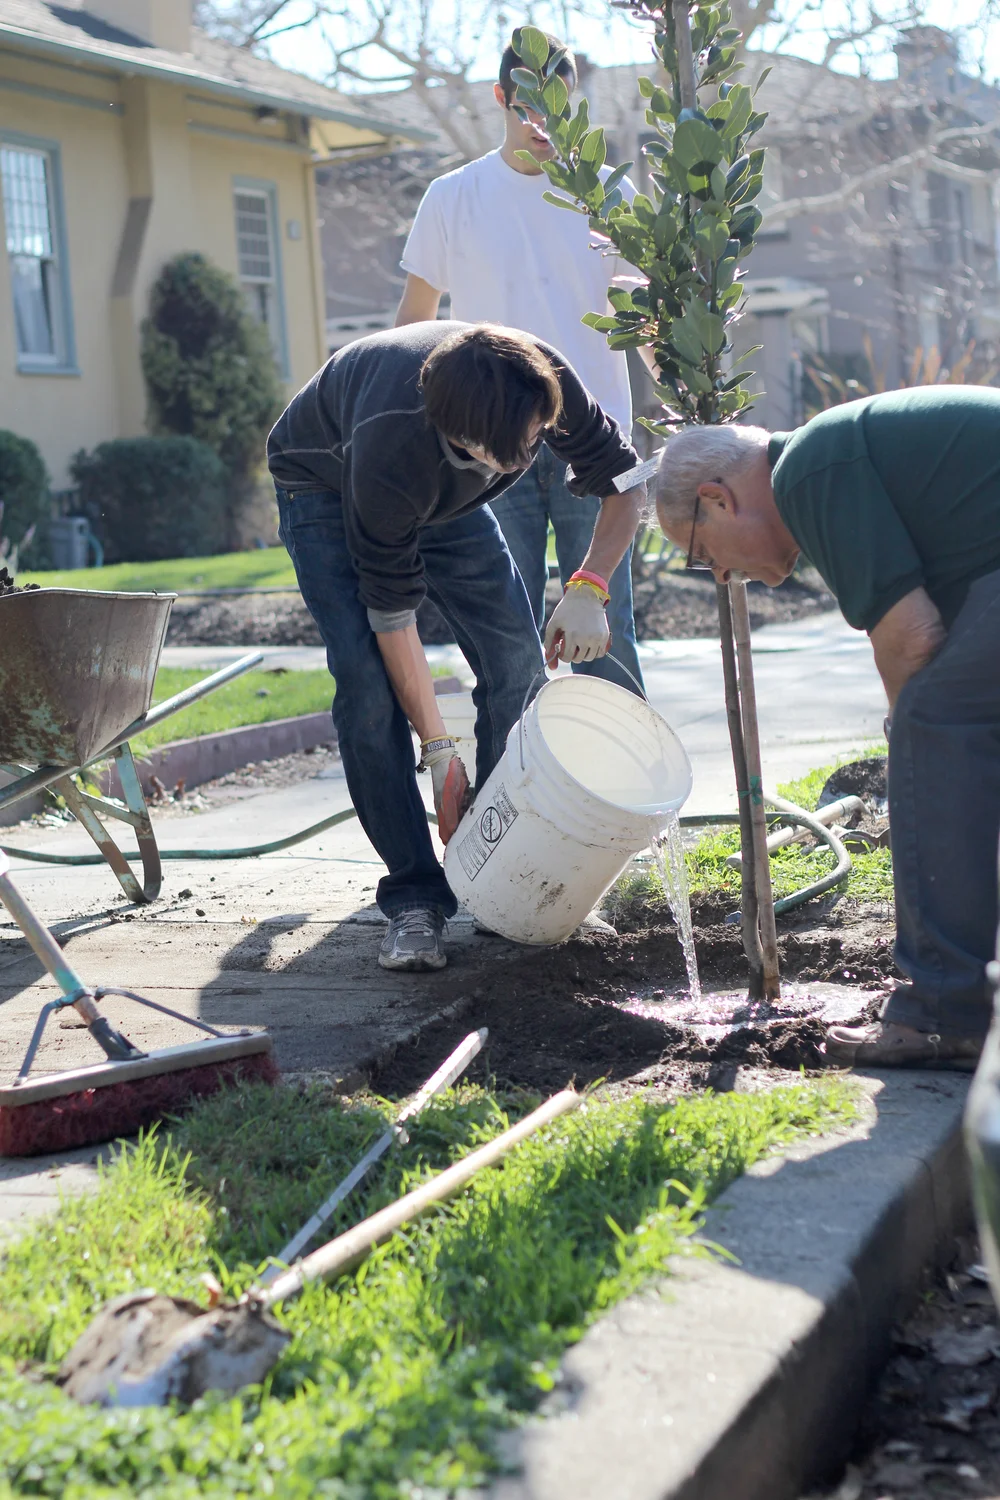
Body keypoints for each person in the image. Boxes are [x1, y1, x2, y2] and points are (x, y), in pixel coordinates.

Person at [268, 321, 645, 973]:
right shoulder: (392, 448)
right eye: (498, 457)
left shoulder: (538, 380)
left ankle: (502, 877)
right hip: (327, 484)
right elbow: (393, 620)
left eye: (529, 447)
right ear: (452, 432)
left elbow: (625, 485)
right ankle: (416, 899)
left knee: (516, 665)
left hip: (439, 492)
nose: (522, 467)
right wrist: (440, 750)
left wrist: (589, 586)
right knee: (366, 690)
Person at [653, 387, 1000, 1069]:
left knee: (930, 728)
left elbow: (912, 639)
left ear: (719, 499)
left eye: (702, 554)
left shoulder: (808, 468)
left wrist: (913, 752)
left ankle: (941, 1013)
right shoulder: (830, 456)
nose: (720, 574)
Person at [395, 31, 646, 697]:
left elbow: (645, 313)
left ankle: (623, 797)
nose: (542, 124)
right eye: (526, 108)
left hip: (595, 448)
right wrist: (416, 434)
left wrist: (689, 410)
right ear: (500, 100)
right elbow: (416, 323)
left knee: (604, 627)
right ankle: (522, 792)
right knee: (504, 638)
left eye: (557, 106)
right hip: (490, 444)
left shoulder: (605, 197)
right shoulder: (453, 197)